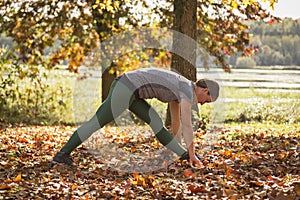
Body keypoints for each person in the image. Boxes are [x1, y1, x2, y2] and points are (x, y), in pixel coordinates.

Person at [52, 68, 219, 166]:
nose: (203, 104)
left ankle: (181, 155)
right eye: (207, 100)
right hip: (126, 87)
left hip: (133, 93)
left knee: (156, 122)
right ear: (205, 90)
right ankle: (62, 154)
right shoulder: (187, 90)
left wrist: (184, 154)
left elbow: (177, 122)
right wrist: (193, 155)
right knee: (97, 122)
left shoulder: (183, 89)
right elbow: (187, 124)